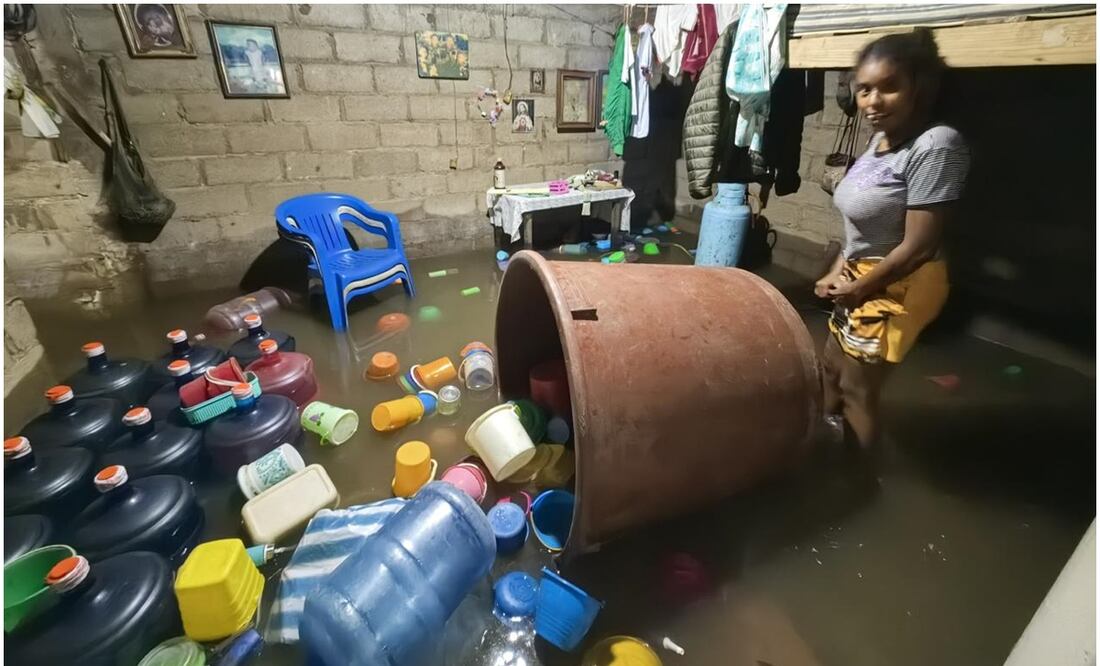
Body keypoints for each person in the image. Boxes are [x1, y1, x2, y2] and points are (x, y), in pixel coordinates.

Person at [815, 29, 970, 452]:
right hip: (860, 274)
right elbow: (860, 226)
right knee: (828, 369)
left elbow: (919, 246)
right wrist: (836, 273)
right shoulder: (879, 139)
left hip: (900, 282)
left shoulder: (935, 145)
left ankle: (859, 479)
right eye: (864, 90)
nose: (872, 101)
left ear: (918, 88)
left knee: (856, 387)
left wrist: (862, 287)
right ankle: (820, 446)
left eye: (889, 87)